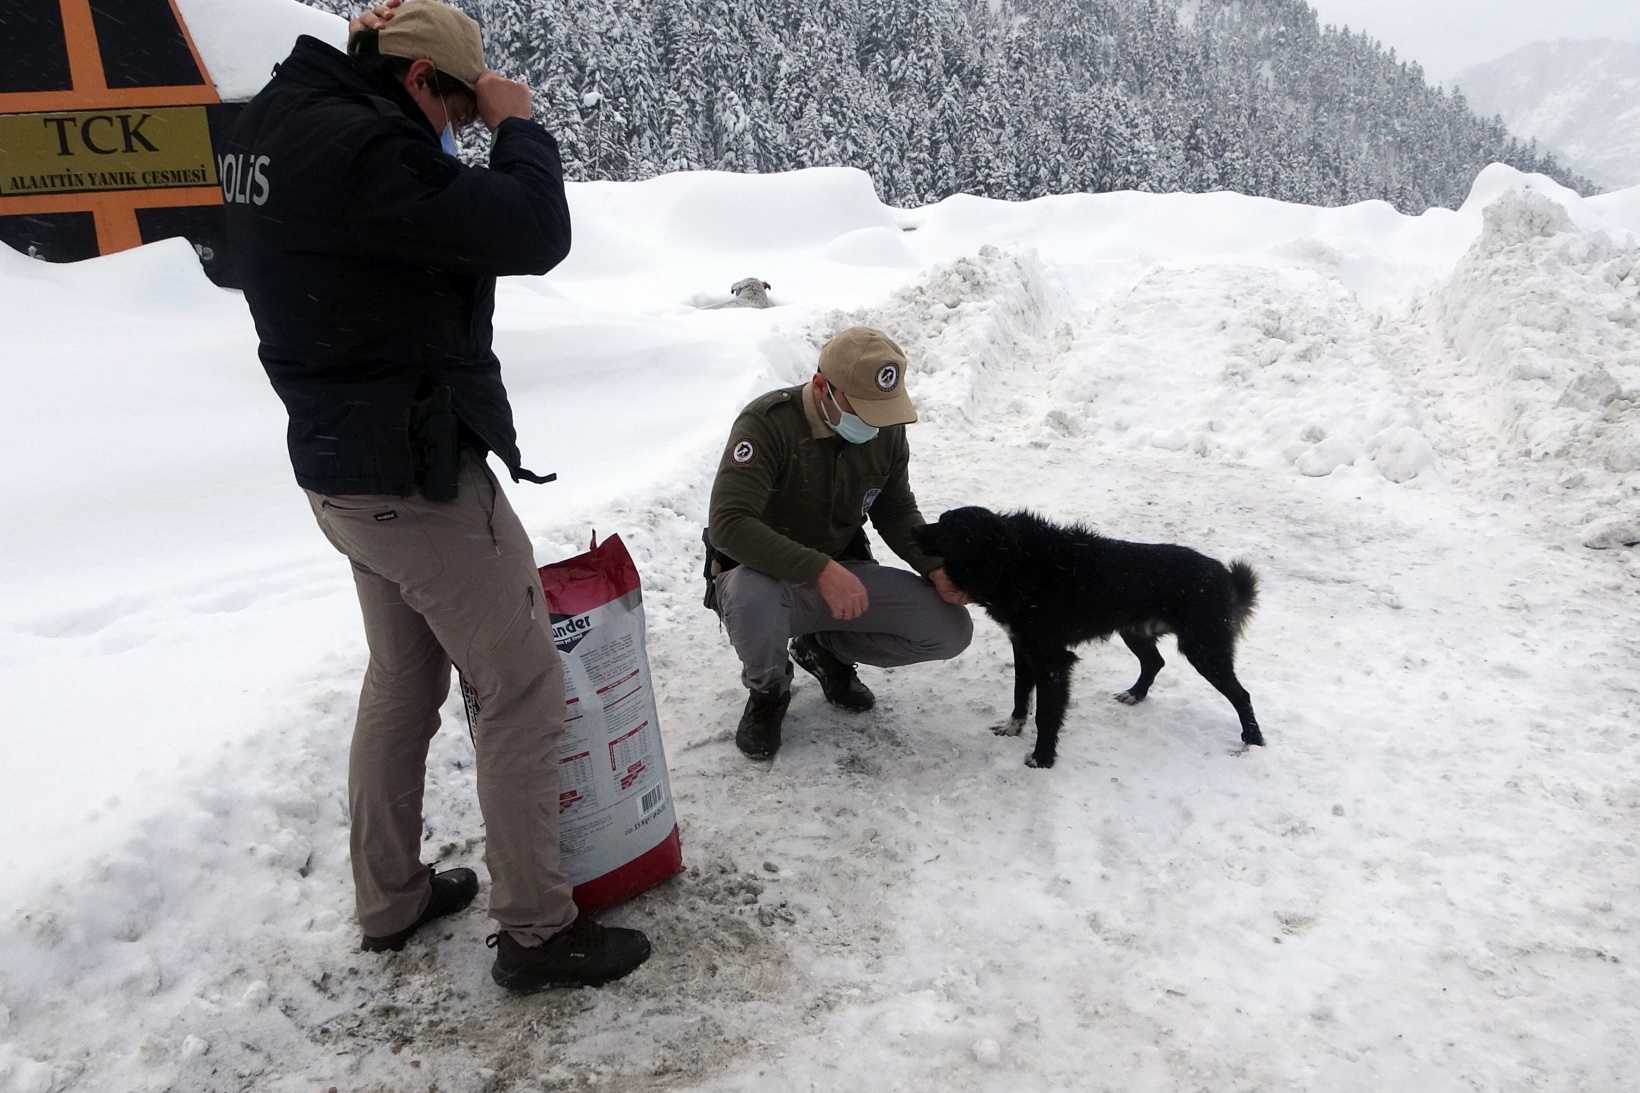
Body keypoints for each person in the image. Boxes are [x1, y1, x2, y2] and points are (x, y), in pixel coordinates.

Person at [222, 0, 650, 993]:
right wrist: (517, 125)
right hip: (413, 475)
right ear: (420, 82)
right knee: (521, 686)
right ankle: (540, 931)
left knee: (404, 678)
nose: (455, 134)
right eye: (453, 111)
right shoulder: (363, 152)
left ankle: (390, 896)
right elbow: (532, 229)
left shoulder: (279, 120)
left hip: (338, 466)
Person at [707, 327, 975, 759]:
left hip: (842, 572)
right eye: (863, 409)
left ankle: (821, 647)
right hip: (767, 581)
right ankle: (769, 693)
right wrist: (819, 570)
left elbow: (895, 508)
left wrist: (935, 566)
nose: (874, 424)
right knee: (749, 595)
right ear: (821, 387)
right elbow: (728, 523)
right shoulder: (768, 424)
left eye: (883, 410)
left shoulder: (884, 428)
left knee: (950, 630)